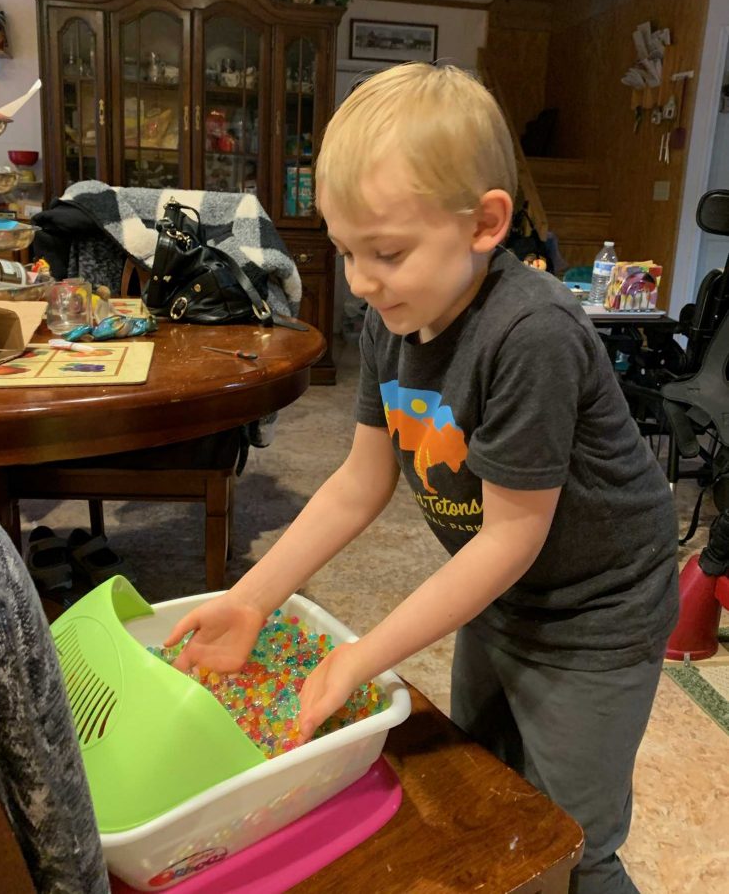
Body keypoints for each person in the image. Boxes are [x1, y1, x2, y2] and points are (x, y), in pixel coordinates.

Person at [165, 63, 679, 894]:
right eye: (345, 252)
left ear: (484, 223)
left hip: (599, 612)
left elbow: (512, 534)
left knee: (571, 835)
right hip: (503, 596)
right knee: (480, 781)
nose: (361, 282)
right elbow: (358, 484)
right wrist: (252, 595)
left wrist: (361, 657)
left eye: (387, 253)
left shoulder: (532, 331)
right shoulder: (389, 321)